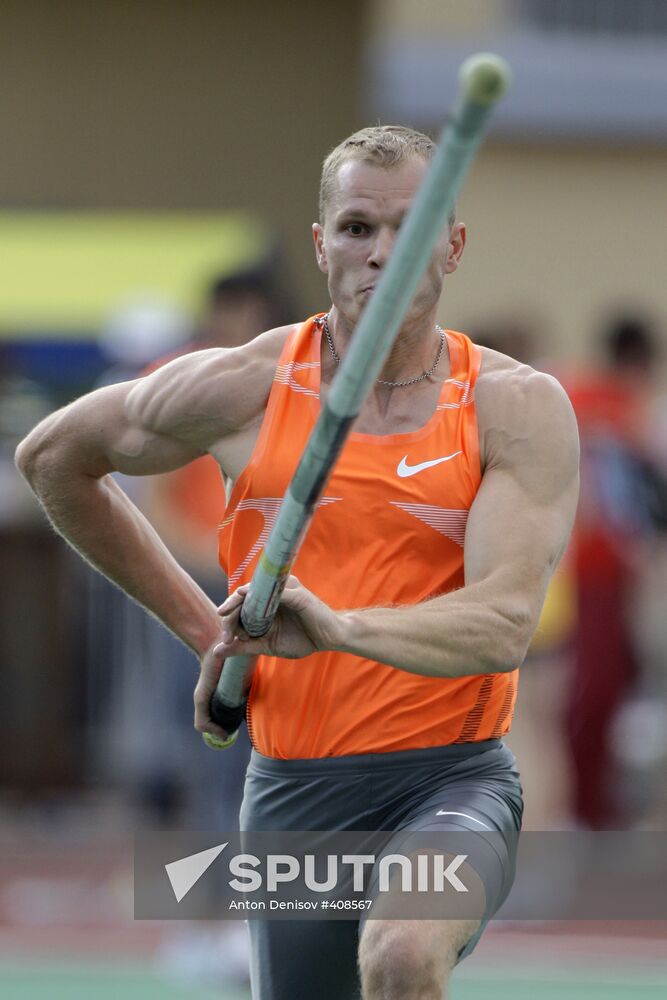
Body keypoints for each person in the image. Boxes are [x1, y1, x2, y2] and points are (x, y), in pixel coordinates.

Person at [15, 125, 579, 1000]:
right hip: (293, 790)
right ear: (322, 246)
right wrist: (204, 632)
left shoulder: (511, 407)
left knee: (400, 956)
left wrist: (340, 628)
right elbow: (54, 458)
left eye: (411, 226)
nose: (381, 252)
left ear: (453, 245)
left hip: (450, 780)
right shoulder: (244, 386)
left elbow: (504, 623)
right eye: (357, 227)